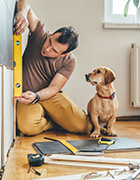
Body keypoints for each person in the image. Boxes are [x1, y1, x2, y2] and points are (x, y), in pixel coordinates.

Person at [14, 0, 92, 135]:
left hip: (48, 95)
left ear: (64, 54)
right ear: (51, 34)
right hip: (26, 95)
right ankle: (51, 123)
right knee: (27, 128)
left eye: (54, 51)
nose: (47, 49)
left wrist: (37, 95)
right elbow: (24, 2)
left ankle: (57, 117)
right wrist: (22, 13)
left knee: (84, 127)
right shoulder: (40, 34)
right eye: (50, 41)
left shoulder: (69, 61)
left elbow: (54, 88)